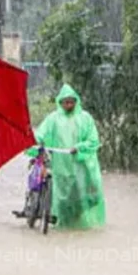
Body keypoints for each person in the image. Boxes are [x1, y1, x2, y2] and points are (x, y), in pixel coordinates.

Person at [27, 83, 106, 229]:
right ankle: (63, 223)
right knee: (62, 196)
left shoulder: (85, 118)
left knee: (82, 194)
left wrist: (79, 147)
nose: (68, 104)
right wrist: (35, 142)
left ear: (76, 101)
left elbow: (93, 140)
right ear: (60, 102)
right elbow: (41, 133)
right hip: (61, 164)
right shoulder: (53, 118)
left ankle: (78, 223)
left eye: (71, 101)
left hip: (80, 165)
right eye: (65, 102)